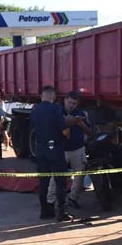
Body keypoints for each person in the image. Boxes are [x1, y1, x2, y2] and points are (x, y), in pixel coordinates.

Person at [30, 86, 71, 221]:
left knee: (43, 183)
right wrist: (67, 134)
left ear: (41, 96)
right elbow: (64, 130)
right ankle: (61, 213)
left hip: (40, 149)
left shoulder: (35, 110)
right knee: (60, 182)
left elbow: (33, 127)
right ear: (53, 97)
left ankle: (45, 212)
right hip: (56, 149)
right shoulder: (56, 110)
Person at [47, 91, 91, 210]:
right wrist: (70, 121)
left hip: (78, 148)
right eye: (70, 102)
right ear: (65, 100)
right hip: (62, 149)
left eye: (74, 104)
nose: (71, 105)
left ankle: (73, 198)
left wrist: (80, 123)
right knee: (56, 175)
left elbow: (89, 131)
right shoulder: (57, 112)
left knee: (79, 174)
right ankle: (50, 200)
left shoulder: (80, 114)